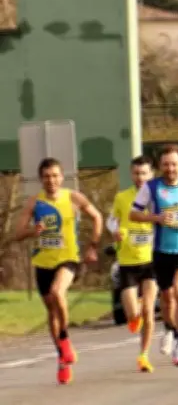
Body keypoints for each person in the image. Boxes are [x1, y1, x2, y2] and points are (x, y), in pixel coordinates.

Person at [15, 157, 103, 384]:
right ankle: (62, 360)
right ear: (40, 179)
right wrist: (33, 231)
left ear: (62, 177)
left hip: (68, 259)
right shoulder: (34, 202)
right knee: (52, 312)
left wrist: (93, 246)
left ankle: (64, 339)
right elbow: (18, 233)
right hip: (43, 262)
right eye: (46, 177)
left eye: (55, 176)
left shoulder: (73, 197)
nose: (51, 180)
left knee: (57, 293)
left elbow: (97, 217)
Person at [130, 144, 178, 368]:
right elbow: (133, 213)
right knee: (166, 298)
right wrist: (156, 218)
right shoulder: (151, 187)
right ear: (160, 166)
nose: (170, 168)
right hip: (161, 251)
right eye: (166, 164)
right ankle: (171, 329)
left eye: (174, 164)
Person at [106, 156, 158, 372]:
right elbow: (111, 220)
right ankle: (133, 317)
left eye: (144, 173)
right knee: (133, 314)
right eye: (136, 173)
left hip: (151, 259)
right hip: (127, 260)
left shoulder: (157, 197)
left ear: (151, 174)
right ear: (131, 174)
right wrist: (114, 230)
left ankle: (144, 355)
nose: (140, 178)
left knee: (148, 309)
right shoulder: (122, 197)